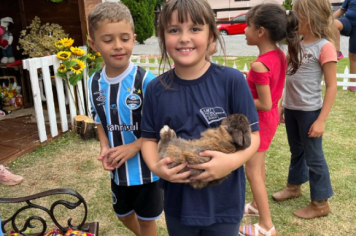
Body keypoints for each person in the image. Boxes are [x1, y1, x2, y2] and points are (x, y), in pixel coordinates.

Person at [140, 1, 260, 236]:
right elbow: (147, 139)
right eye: (174, 30)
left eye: (195, 29)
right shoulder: (155, 89)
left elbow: (254, 137)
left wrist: (231, 163)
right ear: (163, 37)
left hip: (224, 204)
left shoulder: (232, 81)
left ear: (211, 35)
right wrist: (156, 167)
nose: (184, 38)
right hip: (178, 204)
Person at [87, 2, 163, 236]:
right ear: (93, 44)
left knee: (147, 220)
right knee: (122, 214)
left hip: (148, 170)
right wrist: (104, 146)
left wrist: (134, 146)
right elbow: (99, 120)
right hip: (118, 171)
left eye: (125, 38)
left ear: (133, 38)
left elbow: (163, 128)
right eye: (108, 40)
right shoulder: (94, 82)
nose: (118, 46)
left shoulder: (148, 81)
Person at [239, 3, 302, 236]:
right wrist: (252, 80)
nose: (244, 30)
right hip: (271, 118)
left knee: (252, 171)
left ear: (260, 32)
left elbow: (263, 103)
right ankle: (256, 206)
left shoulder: (259, 64)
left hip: (261, 120)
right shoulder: (278, 55)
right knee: (260, 165)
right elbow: (271, 87)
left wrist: (239, 101)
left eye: (248, 26)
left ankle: (266, 225)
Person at [272, 0, 337, 220]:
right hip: (292, 109)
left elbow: (332, 86)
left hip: (310, 112)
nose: (293, 17)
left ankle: (320, 203)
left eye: (297, 13)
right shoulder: (296, 42)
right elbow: (290, 78)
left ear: (309, 17)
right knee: (296, 151)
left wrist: (322, 120)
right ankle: (294, 186)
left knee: (314, 157)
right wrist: (283, 104)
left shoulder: (324, 46)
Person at [333, 0, 356, 92]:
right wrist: (327, 20)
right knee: (334, 24)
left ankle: (352, 85)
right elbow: (342, 10)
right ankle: (337, 52)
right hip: (348, 22)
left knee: (353, 56)